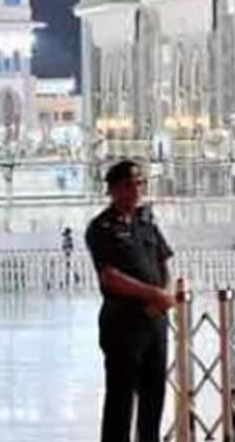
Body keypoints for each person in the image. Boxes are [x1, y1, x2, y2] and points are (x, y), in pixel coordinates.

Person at [86, 160, 175, 442]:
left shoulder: (146, 222)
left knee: (154, 394)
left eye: (139, 184)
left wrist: (164, 295)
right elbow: (110, 277)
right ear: (112, 190)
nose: (135, 190)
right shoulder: (102, 228)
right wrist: (152, 295)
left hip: (154, 321)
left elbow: (163, 262)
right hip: (123, 324)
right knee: (121, 399)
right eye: (128, 185)